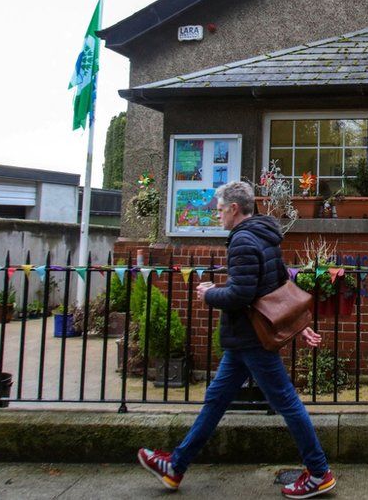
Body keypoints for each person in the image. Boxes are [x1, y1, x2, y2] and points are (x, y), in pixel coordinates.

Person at [138, 180, 336, 499]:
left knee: (285, 400)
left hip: (251, 339)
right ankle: (176, 466)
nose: (217, 216)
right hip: (244, 341)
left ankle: (319, 472)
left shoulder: (243, 240)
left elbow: (241, 293)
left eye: (219, 210)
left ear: (234, 209)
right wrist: (299, 325)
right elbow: (278, 282)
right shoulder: (265, 234)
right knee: (216, 400)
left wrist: (210, 293)